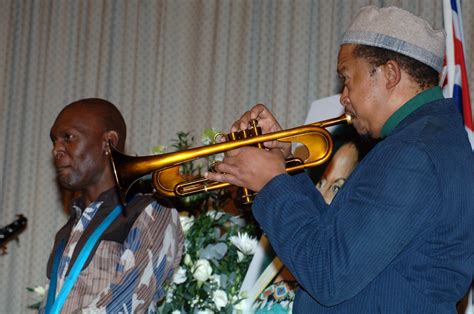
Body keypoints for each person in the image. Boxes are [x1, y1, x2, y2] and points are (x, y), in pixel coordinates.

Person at [207, 6, 474, 313]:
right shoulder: (426, 139)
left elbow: (328, 275)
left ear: (389, 74)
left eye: (348, 79)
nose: (343, 96)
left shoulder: (413, 152)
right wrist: (287, 163)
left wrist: (271, 184)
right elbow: (336, 244)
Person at [40, 98, 184, 313]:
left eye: (68, 138)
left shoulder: (152, 209)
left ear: (108, 143)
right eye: (54, 141)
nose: (56, 149)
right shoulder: (67, 230)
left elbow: (124, 304)